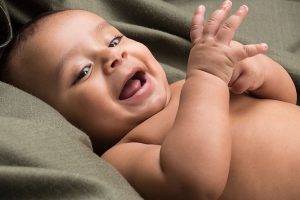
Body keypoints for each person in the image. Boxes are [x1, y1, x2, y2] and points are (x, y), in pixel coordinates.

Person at [0, 0, 299, 199]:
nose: (113, 56)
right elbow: (195, 182)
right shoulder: (123, 153)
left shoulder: (186, 85)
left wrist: (259, 72)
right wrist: (208, 78)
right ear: (65, 121)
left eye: (113, 40)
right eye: (82, 71)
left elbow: (285, 100)